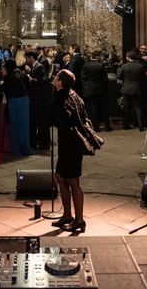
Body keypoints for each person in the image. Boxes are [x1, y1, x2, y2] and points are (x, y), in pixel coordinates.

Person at [50, 69, 88, 233]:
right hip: (70, 144)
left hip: (71, 145)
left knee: (73, 181)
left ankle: (79, 220)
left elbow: (64, 122)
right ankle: (67, 215)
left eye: (56, 77)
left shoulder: (63, 99)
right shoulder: (73, 95)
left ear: (60, 82)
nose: (54, 78)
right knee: (60, 177)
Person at [1, 59, 34, 156]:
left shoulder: (8, 77)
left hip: (15, 102)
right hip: (23, 101)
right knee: (22, 126)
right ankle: (23, 147)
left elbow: (6, 93)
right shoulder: (16, 75)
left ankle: (17, 149)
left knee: (16, 126)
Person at [117, 50, 146, 130]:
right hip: (137, 88)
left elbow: (120, 77)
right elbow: (143, 77)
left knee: (126, 107)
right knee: (138, 107)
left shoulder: (124, 66)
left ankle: (125, 125)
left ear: (129, 58)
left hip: (126, 89)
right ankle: (140, 126)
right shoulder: (140, 66)